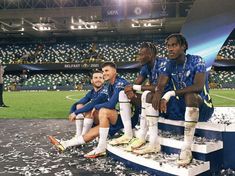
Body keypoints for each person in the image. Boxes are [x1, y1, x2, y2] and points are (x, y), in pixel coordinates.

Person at [152, 33, 214, 166]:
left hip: (203, 107)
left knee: (190, 95)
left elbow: (197, 87)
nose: (170, 49)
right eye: (168, 46)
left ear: (183, 46)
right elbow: (160, 85)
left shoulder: (197, 60)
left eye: (174, 45)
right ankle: (152, 141)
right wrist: (158, 94)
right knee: (149, 96)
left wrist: (170, 93)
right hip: (182, 107)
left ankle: (186, 148)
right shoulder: (170, 64)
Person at [109, 42, 171, 155]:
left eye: (142, 54)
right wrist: (130, 90)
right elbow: (136, 83)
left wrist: (134, 87)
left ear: (151, 54)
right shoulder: (145, 67)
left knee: (147, 94)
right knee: (123, 93)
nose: (139, 57)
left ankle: (151, 140)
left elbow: (159, 87)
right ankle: (128, 134)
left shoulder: (163, 63)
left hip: (166, 100)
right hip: (152, 98)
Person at [83, 61, 140, 158]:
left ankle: (101, 147)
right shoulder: (110, 85)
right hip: (120, 115)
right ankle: (99, 138)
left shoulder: (120, 83)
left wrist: (96, 107)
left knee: (103, 111)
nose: (104, 73)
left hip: (130, 118)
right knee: (99, 111)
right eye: (103, 71)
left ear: (114, 71)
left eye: (106, 70)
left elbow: (111, 104)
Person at [48, 70, 109, 151]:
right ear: (91, 80)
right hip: (96, 120)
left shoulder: (105, 91)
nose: (98, 79)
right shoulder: (92, 92)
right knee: (79, 106)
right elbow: (80, 102)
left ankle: (80, 138)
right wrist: (72, 112)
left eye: (100, 78)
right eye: (96, 77)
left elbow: (93, 104)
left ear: (103, 80)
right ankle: (78, 136)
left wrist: (75, 113)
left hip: (105, 120)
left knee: (89, 110)